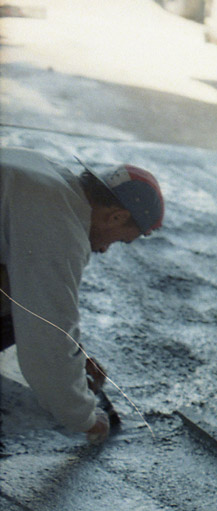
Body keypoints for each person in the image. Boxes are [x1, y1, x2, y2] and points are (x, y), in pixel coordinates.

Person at [1, 147, 164, 442]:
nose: (103, 249)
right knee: (20, 311)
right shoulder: (59, 225)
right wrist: (86, 418)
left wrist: (75, 354)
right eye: (120, 241)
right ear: (116, 217)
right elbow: (45, 340)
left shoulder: (46, 173)